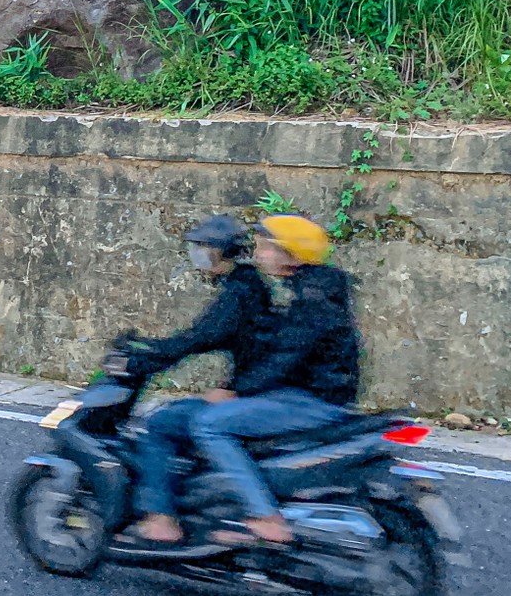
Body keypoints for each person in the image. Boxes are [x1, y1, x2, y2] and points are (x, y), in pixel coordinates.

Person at [189, 214, 361, 547]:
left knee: (209, 424)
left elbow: (284, 357)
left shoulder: (313, 300)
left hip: (316, 399)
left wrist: (236, 391)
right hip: (309, 392)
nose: (259, 254)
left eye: (267, 247)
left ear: (291, 255)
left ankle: (266, 516)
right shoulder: (310, 289)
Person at [125, 215, 274, 545]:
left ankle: (161, 517)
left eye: (203, 247)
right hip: (249, 387)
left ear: (219, 251)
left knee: (161, 422)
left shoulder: (239, 292)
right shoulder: (249, 285)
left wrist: (148, 356)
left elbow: (202, 336)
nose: (197, 254)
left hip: (250, 394)